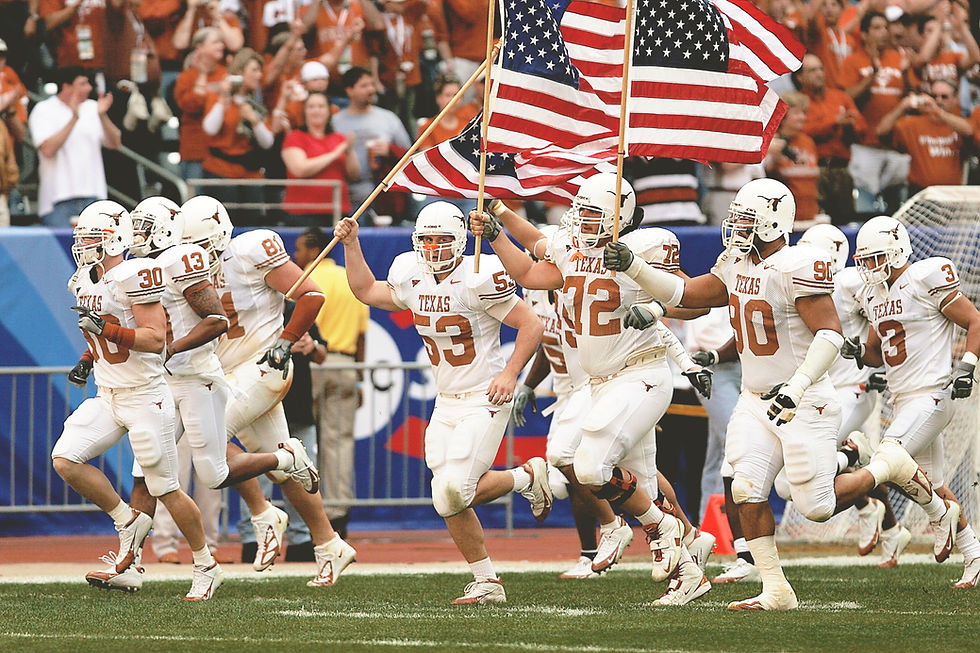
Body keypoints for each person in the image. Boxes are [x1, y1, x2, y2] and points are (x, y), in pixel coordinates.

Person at [602, 177, 948, 610]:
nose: (737, 228)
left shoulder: (795, 265)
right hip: (754, 397)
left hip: (803, 399)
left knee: (816, 506)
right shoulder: (736, 261)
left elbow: (829, 334)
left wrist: (797, 387)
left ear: (771, 221)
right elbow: (688, 293)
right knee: (745, 485)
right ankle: (775, 588)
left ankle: (887, 466)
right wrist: (634, 265)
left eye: (746, 220)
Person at [469, 173, 714, 606]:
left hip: (640, 373)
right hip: (602, 381)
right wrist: (497, 234)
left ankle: (661, 529)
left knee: (590, 467)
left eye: (594, 213)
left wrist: (649, 295)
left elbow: (696, 299)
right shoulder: (573, 249)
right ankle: (689, 571)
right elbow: (528, 270)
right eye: (580, 211)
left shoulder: (644, 248)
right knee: (645, 488)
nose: (583, 220)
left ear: (620, 217)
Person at [333, 201, 552, 604]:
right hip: (446, 400)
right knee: (444, 497)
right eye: (427, 239)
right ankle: (488, 579)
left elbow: (531, 323)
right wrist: (352, 244)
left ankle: (524, 480)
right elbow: (365, 290)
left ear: (460, 240)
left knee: (454, 490)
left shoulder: (479, 274)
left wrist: (510, 374)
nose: (433, 247)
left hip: (485, 393)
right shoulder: (411, 274)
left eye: (442, 239)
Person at [117, 195, 317, 579]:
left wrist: (289, 338)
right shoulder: (149, 267)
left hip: (217, 374)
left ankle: (274, 500)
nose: (139, 238)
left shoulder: (212, 259)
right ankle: (130, 561)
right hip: (175, 378)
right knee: (146, 468)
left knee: (212, 468)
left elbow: (216, 320)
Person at [181, 194, 358, 586]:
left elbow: (312, 294)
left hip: (264, 366)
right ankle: (329, 543)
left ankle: (264, 512)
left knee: (208, 442)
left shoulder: (249, 250)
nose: (198, 254)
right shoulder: (188, 264)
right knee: (282, 470)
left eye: (203, 244)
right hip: (230, 373)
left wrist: (287, 338)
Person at [54, 200, 221, 600]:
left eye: (91, 237)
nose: (83, 244)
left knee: (165, 488)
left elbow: (154, 339)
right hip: (108, 393)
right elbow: (103, 333)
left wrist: (107, 333)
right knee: (66, 459)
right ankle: (127, 520)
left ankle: (206, 565)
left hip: (147, 396)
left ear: (113, 239)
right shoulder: (84, 279)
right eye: (82, 238)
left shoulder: (135, 273)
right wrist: (86, 360)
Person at [841, 215, 980, 589]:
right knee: (930, 483)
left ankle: (940, 516)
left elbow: (975, 320)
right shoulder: (871, 294)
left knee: (890, 457)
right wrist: (856, 351)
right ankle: (974, 554)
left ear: (898, 250)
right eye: (864, 260)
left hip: (933, 394)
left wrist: (967, 365)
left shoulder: (923, 278)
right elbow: (875, 352)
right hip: (903, 399)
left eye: (876, 259)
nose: (869, 268)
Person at [294, 227, 368, 539]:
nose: (296, 255)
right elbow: (362, 334)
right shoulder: (347, 279)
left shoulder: (305, 279)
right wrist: (359, 374)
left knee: (304, 443)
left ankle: (310, 517)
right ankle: (339, 515)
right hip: (346, 363)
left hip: (313, 364)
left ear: (314, 250)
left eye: (299, 249)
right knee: (339, 444)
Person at [28, 66, 121, 226]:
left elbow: (115, 144)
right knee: (61, 250)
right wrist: (74, 118)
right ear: (66, 86)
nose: (89, 88)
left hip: (94, 195)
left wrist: (102, 115)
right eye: (83, 84)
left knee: (96, 250)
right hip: (58, 199)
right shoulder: (43, 109)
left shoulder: (93, 107)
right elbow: (47, 150)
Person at [201, 48, 279, 225]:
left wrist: (253, 120)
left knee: (251, 226)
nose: (259, 75)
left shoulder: (254, 105)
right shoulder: (219, 97)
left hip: (250, 175)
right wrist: (223, 97)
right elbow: (210, 129)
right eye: (254, 70)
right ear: (239, 73)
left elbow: (267, 142)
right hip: (221, 172)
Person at [330, 66, 411, 220]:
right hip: (346, 197)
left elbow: (410, 154)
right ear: (349, 91)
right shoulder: (335, 122)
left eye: (372, 84)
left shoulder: (388, 118)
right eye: (364, 86)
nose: (371, 89)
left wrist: (389, 150)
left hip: (383, 196)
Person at [876, 79, 973, 194]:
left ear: (955, 100)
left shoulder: (958, 125)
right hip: (920, 193)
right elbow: (880, 132)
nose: (938, 100)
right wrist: (901, 107)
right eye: (934, 96)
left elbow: (969, 131)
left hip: (951, 194)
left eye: (944, 97)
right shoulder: (912, 124)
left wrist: (937, 111)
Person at [281, 91, 359, 226]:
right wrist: (335, 153)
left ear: (329, 111)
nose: (316, 110)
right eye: (311, 107)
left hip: (337, 210)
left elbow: (354, 174)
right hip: (303, 212)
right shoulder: (295, 137)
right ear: (304, 111)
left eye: (321, 106)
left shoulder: (339, 138)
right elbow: (300, 169)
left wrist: (349, 151)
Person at [174, 27, 227, 181]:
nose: (221, 46)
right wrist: (202, 74)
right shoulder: (187, 77)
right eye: (216, 42)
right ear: (200, 47)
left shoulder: (225, 74)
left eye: (222, 42)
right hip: (195, 152)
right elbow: (192, 105)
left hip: (222, 154)